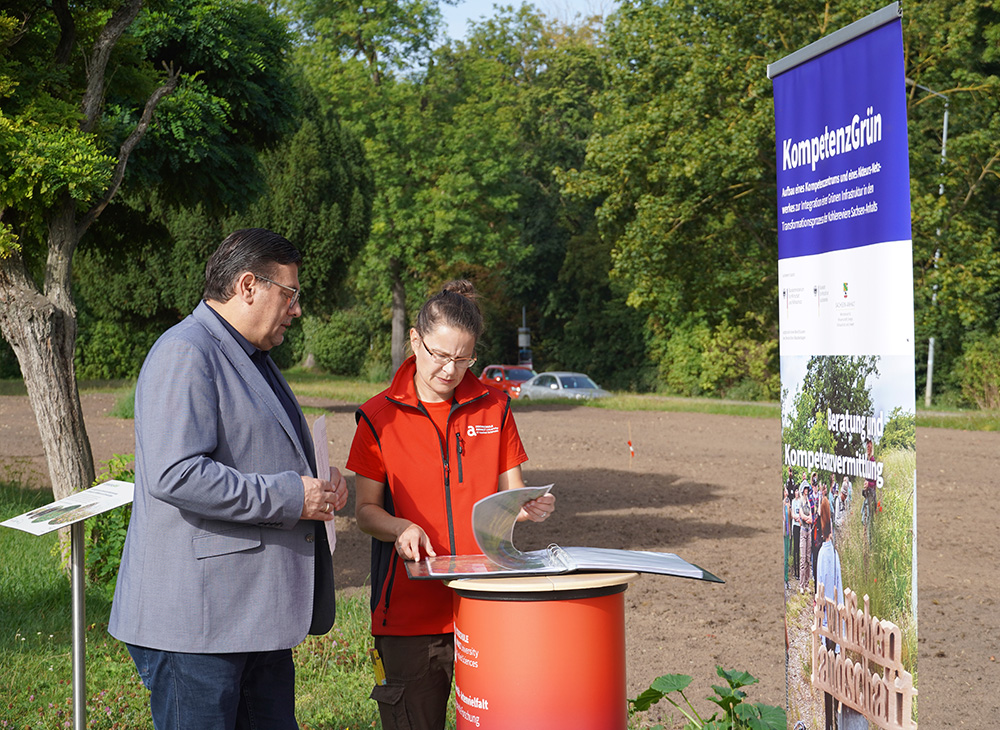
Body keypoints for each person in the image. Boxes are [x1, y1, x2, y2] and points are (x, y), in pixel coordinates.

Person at [109, 228, 348, 729]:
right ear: (247, 286)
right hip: (199, 627)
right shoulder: (186, 351)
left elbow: (255, 451)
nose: (296, 309)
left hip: (251, 619)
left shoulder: (253, 357)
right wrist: (290, 495)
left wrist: (320, 481)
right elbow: (177, 474)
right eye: (290, 294)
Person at [348, 280, 555, 730]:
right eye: (441, 355)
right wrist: (400, 527)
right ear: (415, 341)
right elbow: (365, 512)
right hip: (408, 617)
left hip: (489, 604)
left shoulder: (494, 408)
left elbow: (510, 495)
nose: (450, 369)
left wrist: (527, 506)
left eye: (464, 359)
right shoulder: (377, 417)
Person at [815, 497, 842, 730]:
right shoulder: (833, 555)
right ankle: (833, 719)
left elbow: (818, 594)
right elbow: (839, 593)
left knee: (827, 677)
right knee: (834, 675)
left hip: (824, 624)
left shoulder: (822, 555)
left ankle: (828, 724)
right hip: (834, 623)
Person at [799, 484, 813, 594]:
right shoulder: (800, 501)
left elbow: (811, 518)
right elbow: (802, 516)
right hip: (803, 530)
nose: (806, 490)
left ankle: (807, 583)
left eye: (807, 489)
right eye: (805, 489)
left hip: (809, 531)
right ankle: (801, 585)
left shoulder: (809, 501)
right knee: (802, 558)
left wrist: (808, 518)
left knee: (808, 558)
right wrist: (807, 518)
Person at [791, 483, 802, 581]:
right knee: (795, 549)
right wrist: (797, 517)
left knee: (800, 549)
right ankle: (795, 571)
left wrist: (800, 517)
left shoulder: (801, 501)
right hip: (795, 526)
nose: (797, 492)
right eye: (795, 491)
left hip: (800, 526)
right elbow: (792, 514)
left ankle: (800, 570)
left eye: (798, 490)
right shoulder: (793, 501)